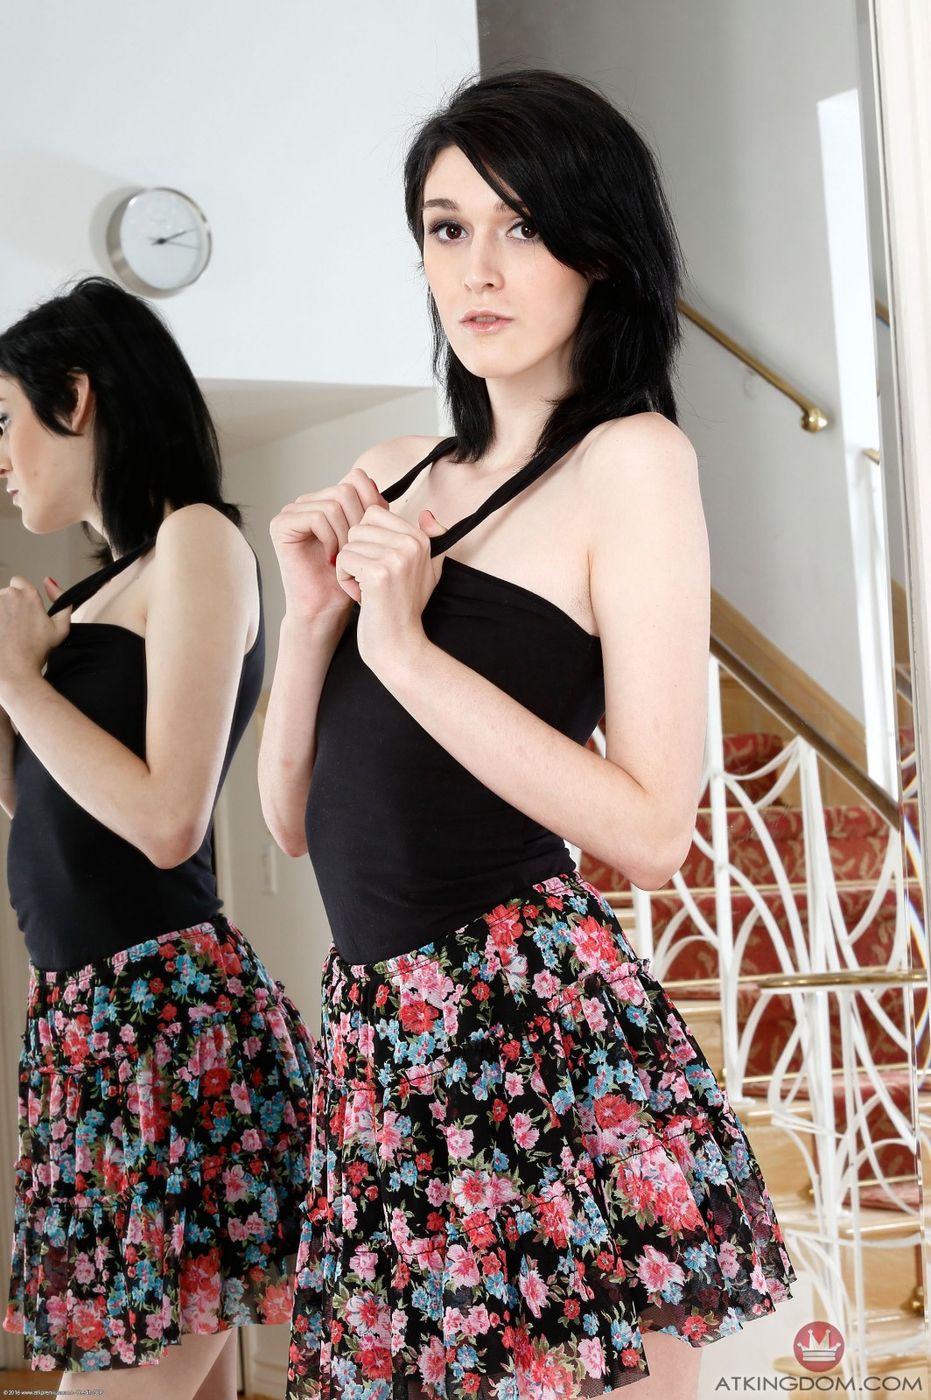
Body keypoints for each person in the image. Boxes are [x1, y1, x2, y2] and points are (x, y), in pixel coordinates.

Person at [262, 67, 798, 1400]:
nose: (477, 268)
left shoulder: (631, 460)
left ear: (596, 253)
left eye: (521, 226)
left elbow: (651, 827)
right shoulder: (394, 471)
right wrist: (313, 621)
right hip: (379, 1032)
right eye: (447, 228)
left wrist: (403, 646)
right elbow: (287, 821)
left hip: (527, 1021)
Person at [0, 276, 317, 1396]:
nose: (0, 455)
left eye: (5, 418)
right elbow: (52, 808)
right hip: (90, 1020)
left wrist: (20, 681)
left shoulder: (195, 540)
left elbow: (167, 818)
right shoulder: (103, 589)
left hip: (162, 1022)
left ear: (77, 397)